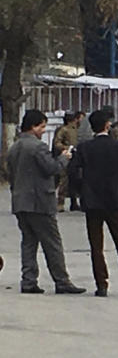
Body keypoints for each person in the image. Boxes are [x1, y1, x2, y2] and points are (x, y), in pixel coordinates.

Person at [6, 110, 85, 295]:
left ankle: (28, 280)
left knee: (28, 242)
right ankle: (62, 280)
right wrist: (64, 158)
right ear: (33, 127)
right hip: (39, 202)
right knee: (52, 243)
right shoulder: (37, 147)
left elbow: (10, 173)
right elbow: (52, 168)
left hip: (20, 201)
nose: (43, 131)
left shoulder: (14, 147)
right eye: (42, 127)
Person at [68, 110, 118, 297]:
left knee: (96, 246)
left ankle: (102, 285)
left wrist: (82, 189)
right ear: (107, 125)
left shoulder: (84, 148)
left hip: (92, 202)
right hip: (114, 200)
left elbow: (73, 172)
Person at [53, 112, 81, 212]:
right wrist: (67, 148)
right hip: (65, 156)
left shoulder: (75, 130)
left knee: (74, 179)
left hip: (75, 156)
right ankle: (60, 203)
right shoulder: (63, 130)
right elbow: (57, 143)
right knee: (64, 180)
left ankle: (74, 203)